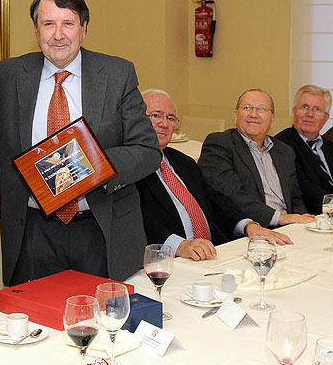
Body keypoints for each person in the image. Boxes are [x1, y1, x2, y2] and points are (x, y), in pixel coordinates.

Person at [0, 0, 161, 286]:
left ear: (84, 28)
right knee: (35, 327)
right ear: (35, 30)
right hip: (32, 232)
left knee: (106, 327)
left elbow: (147, 151)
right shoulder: (6, 76)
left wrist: (86, 164)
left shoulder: (117, 74)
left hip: (101, 228)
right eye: (48, 24)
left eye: (68, 23)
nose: (58, 35)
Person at [136, 90, 291, 260]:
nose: (164, 124)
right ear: (135, 118)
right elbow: (138, 219)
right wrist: (180, 245)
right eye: (156, 115)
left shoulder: (182, 162)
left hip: (215, 254)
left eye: (171, 118)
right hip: (168, 260)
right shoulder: (129, 167)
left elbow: (215, 200)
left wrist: (248, 225)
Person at [198, 89, 314, 228]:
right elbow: (232, 195)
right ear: (236, 115)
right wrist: (279, 218)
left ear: (272, 119)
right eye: (247, 108)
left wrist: (299, 222)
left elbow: (295, 199)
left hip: (289, 228)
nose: (253, 114)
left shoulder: (285, 151)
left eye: (261, 109)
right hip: (251, 229)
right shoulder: (220, 143)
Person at [275, 85, 333, 215]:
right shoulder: (281, 145)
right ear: (294, 111)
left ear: (326, 117)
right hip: (310, 218)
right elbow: (302, 188)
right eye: (304, 107)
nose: (310, 114)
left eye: (317, 109)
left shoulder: (330, 146)